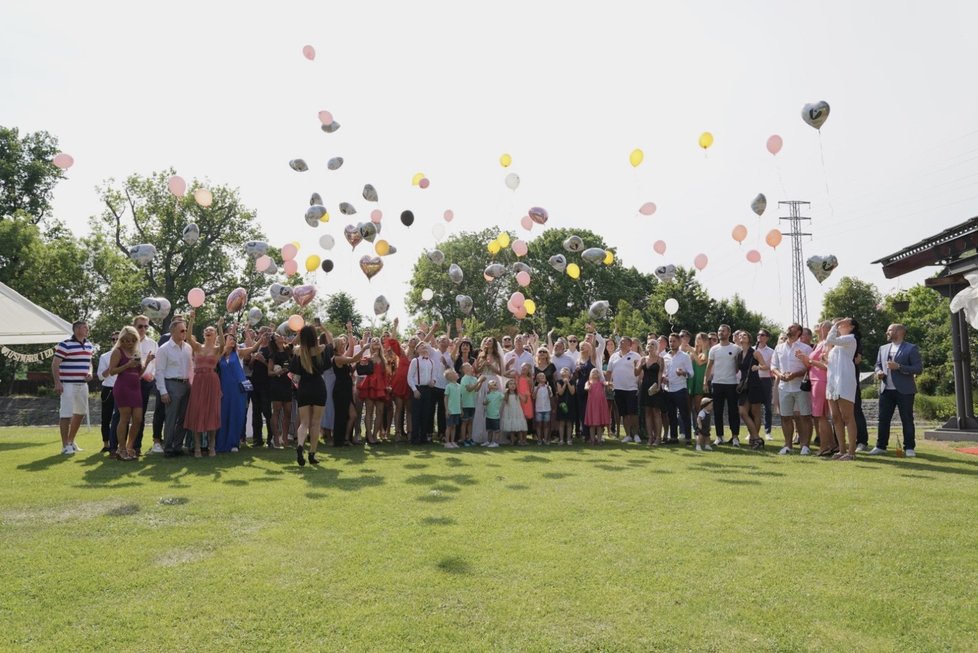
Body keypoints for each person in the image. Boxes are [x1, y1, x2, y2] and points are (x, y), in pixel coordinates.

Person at [870, 323, 923, 457]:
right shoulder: (883, 348)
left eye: (889, 330)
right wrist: (879, 372)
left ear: (899, 332)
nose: (887, 333)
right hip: (886, 390)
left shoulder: (911, 348)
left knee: (907, 419)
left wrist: (899, 367)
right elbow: (877, 365)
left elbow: (918, 369)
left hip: (905, 390)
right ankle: (881, 446)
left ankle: (909, 447)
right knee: (883, 419)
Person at [107, 326, 154, 460]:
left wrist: (147, 362)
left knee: (138, 419)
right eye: (126, 340)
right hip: (122, 387)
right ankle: (121, 449)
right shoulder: (117, 352)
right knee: (125, 418)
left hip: (135, 388)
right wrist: (127, 365)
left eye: (133, 340)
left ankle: (129, 446)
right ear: (121, 340)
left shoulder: (136, 352)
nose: (130, 343)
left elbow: (138, 373)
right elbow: (112, 371)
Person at [290, 325, 334, 466]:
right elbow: (331, 342)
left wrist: (298, 334)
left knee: (304, 423)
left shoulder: (298, 351)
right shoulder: (322, 349)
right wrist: (323, 328)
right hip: (318, 387)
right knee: (316, 423)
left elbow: (293, 374)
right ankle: (312, 454)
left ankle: (300, 445)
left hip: (303, 387)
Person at [770, 323, 813, 456]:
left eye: (792, 327)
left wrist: (794, 375)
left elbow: (809, 367)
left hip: (800, 387)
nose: (789, 328)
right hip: (784, 387)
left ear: (799, 332)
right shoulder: (779, 347)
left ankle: (805, 446)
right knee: (785, 417)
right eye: (788, 327)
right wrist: (780, 375)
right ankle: (788, 445)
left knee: (805, 416)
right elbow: (773, 366)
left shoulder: (805, 348)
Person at [52, 320, 94, 455]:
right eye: (85, 327)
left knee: (80, 413)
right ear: (76, 329)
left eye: (87, 327)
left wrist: (90, 372)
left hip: (83, 384)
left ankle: (71, 441)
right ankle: (65, 445)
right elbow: (55, 364)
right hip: (67, 384)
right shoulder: (65, 344)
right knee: (66, 414)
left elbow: (89, 363)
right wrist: (57, 383)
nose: (87, 329)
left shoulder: (89, 345)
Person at [183, 314, 223, 457]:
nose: (208, 332)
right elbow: (188, 337)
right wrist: (191, 320)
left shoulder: (218, 349)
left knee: (212, 412)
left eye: (211, 330)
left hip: (212, 381)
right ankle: (198, 447)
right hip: (198, 381)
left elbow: (224, 345)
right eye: (206, 330)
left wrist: (219, 326)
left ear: (215, 334)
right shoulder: (198, 346)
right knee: (197, 411)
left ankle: (212, 446)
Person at [154, 317, 194, 457]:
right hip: (171, 384)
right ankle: (169, 448)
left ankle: (178, 446)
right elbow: (159, 371)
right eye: (182, 330)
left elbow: (191, 368)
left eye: (185, 330)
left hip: (186, 385)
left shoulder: (188, 347)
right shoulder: (164, 349)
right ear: (173, 332)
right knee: (171, 418)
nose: (184, 333)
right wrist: (163, 391)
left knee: (183, 418)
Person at [797, 321, 836, 456]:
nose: (817, 327)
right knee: (821, 415)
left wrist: (810, 360)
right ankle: (832, 445)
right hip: (815, 380)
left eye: (820, 325)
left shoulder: (827, 344)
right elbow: (810, 365)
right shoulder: (819, 344)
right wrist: (804, 359)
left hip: (821, 380)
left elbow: (826, 365)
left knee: (820, 415)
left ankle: (824, 447)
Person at [824, 318, 860, 461]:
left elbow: (830, 339)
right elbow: (833, 361)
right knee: (836, 417)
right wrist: (826, 362)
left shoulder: (850, 339)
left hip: (845, 382)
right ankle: (841, 449)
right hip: (833, 382)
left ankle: (851, 452)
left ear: (851, 327)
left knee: (847, 417)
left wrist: (835, 324)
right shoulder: (838, 345)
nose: (839, 325)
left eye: (843, 323)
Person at [128, 315, 160, 455]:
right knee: (123, 416)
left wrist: (150, 374)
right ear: (134, 326)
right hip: (127, 382)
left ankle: (136, 447)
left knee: (139, 417)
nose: (143, 329)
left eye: (146, 326)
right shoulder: (127, 342)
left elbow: (156, 363)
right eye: (140, 326)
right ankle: (119, 446)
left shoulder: (152, 343)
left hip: (144, 383)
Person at [704, 324, 741, 446]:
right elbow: (709, 366)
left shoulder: (736, 348)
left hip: (731, 383)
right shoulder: (714, 349)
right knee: (718, 411)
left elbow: (738, 366)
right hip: (717, 383)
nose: (720, 333)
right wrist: (705, 381)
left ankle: (735, 437)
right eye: (719, 330)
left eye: (723, 331)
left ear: (729, 333)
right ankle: (719, 437)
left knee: (733, 412)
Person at [734, 331, 767, 448]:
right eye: (740, 335)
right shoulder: (738, 354)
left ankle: (754, 439)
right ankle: (756, 438)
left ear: (749, 339)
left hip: (754, 384)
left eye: (745, 335)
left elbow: (766, 366)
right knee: (742, 412)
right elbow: (736, 370)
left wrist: (758, 367)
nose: (741, 337)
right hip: (743, 385)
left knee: (755, 413)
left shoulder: (755, 353)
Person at [607, 335, 642, 443]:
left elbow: (640, 372)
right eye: (620, 342)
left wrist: (639, 385)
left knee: (633, 413)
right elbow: (609, 371)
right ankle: (628, 435)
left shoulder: (636, 356)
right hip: (618, 388)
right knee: (624, 413)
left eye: (623, 342)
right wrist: (609, 382)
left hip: (631, 388)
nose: (620, 343)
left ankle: (636, 434)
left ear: (629, 345)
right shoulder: (613, 356)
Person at [662, 333, 694, 443]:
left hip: (680, 389)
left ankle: (688, 438)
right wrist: (663, 377)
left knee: (684, 414)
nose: (672, 343)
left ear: (679, 342)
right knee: (671, 415)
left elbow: (691, 373)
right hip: (668, 389)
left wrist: (683, 372)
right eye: (670, 341)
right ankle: (674, 437)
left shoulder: (685, 356)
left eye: (674, 341)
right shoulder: (665, 357)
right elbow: (663, 372)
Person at [330, 324, 357, 446]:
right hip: (340, 389)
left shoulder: (342, 356)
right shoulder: (337, 358)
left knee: (353, 415)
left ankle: (346, 438)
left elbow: (351, 348)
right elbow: (352, 358)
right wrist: (364, 348)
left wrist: (350, 331)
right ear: (336, 347)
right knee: (341, 415)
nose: (343, 346)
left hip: (347, 388)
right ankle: (340, 440)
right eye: (341, 345)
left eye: (343, 345)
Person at [267, 332, 294, 449]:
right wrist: (278, 372)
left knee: (288, 412)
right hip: (277, 385)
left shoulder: (289, 351)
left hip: (288, 384)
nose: (281, 336)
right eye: (278, 336)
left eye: (281, 335)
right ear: (274, 340)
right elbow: (269, 372)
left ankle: (285, 439)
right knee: (276, 411)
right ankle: (276, 440)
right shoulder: (273, 355)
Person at [408, 341, 437, 444]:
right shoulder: (415, 361)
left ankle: (423, 437)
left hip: (427, 389)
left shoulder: (431, 362)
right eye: (421, 346)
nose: (424, 348)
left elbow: (434, 375)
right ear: (417, 350)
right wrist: (414, 390)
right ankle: (415, 438)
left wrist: (433, 381)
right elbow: (409, 377)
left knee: (426, 413)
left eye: (425, 346)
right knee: (416, 414)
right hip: (417, 389)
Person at [96, 331, 120, 452]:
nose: (115, 341)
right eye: (113, 339)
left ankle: (119, 443)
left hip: (121, 389)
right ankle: (106, 444)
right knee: (106, 418)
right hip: (108, 389)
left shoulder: (127, 355)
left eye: (118, 339)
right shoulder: (105, 356)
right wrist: (110, 367)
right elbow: (100, 376)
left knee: (121, 418)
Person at [639, 340, 665, 446]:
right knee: (647, 412)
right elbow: (637, 373)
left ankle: (658, 438)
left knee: (656, 412)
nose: (650, 346)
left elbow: (660, 373)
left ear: (657, 347)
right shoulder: (643, 359)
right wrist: (638, 365)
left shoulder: (660, 359)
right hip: (645, 387)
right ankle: (650, 437)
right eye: (649, 344)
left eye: (653, 344)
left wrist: (658, 386)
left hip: (655, 387)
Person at [755, 329, 775, 440]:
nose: (759, 336)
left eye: (762, 335)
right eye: (758, 334)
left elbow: (771, 367)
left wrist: (759, 366)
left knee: (767, 406)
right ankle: (753, 431)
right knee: (754, 407)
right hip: (754, 380)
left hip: (766, 379)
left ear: (767, 337)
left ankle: (767, 432)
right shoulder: (752, 349)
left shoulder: (771, 351)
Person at [584, 368, 610, 442]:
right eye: (593, 372)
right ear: (590, 374)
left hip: (600, 405)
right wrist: (587, 388)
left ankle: (599, 440)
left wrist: (608, 383)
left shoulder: (601, 382)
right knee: (592, 424)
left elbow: (606, 383)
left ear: (599, 374)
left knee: (599, 424)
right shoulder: (588, 382)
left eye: (597, 372)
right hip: (592, 405)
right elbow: (585, 387)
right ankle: (592, 440)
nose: (595, 373)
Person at [460, 364, 482, 446]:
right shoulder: (464, 378)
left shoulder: (474, 378)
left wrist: (481, 382)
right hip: (465, 403)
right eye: (468, 366)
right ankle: (463, 439)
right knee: (465, 422)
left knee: (470, 422)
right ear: (464, 370)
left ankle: (469, 438)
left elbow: (476, 389)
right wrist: (479, 381)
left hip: (472, 403)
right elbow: (469, 389)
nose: (471, 367)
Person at [500, 377, 526, 445]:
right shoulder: (506, 394)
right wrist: (505, 392)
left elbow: (524, 400)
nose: (512, 385)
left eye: (514, 384)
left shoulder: (517, 394)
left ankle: (521, 441)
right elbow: (505, 400)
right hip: (509, 411)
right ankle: (512, 441)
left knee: (519, 426)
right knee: (511, 427)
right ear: (507, 386)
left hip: (517, 411)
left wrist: (526, 396)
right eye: (511, 384)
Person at [554, 367, 576, 445]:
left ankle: (569, 439)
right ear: (560, 373)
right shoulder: (559, 382)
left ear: (570, 374)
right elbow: (560, 393)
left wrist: (568, 383)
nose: (565, 371)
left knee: (569, 423)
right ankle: (561, 439)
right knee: (562, 423)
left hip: (570, 404)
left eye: (567, 370)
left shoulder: (573, 382)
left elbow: (572, 392)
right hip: (562, 404)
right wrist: (564, 384)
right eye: (563, 370)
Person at [443, 368, 463, 448]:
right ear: (450, 377)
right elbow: (446, 398)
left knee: (454, 426)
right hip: (451, 410)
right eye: (454, 373)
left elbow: (460, 398)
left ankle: (452, 441)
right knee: (449, 426)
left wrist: (461, 409)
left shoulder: (459, 386)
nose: (456, 374)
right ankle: (447, 442)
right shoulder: (448, 386)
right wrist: (447, 409)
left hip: (457, 410)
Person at [533, 372, 553, 445]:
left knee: (546, 424)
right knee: (539, 425)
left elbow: (550, 395)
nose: (542, 377)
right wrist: (537, 388)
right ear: (537, 380)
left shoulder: (548, 387)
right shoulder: (536, 388)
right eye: (540, 376)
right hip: (539, 409)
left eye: (543, 376)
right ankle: (539, 439)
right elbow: (533, 397)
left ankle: (545, 439)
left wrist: (548, 388)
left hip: (547, 409)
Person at [483, 379, 504, 448]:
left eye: (496, 384)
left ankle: (496, 442)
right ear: (489, 386)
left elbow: (504, 397)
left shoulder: (499, 394)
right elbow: (484, 403)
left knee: (496, 430)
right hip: (488, 415)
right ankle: (488, 441)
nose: (495, 385)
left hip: (495, 415)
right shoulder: (488, 395)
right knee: (489, 430)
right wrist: (485, 402)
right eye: (493, 384)